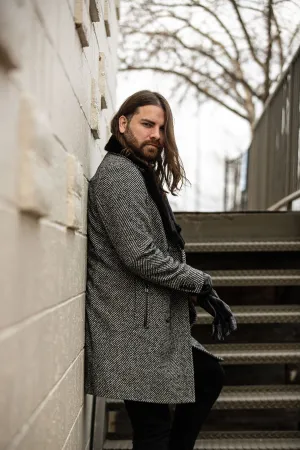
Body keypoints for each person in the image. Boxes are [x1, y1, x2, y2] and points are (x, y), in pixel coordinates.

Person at [85, 90, 237, 450]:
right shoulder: (119, 176)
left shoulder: (137, 172)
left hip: (145, 322)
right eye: (147, 124)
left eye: (162, 128)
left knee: (205, 378)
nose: (156, 134)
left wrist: (199, 291)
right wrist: (202, 284)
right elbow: (141, 256)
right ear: (123, 124)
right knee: (153, 428)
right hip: (131, 326)